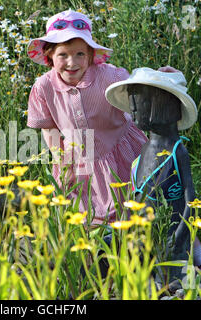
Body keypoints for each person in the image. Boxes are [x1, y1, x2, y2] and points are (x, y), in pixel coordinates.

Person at [26, 9, 177, 225]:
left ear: (90, 55)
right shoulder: (44, 87)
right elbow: (48, 127)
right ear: (49, 55)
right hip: (78, 161)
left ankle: (186, 249)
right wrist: (61, 158)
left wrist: (160, 77)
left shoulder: (109, 76)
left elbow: (138, 86)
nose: (72, 62)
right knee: (87, 216)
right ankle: (102, 252)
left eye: (80, 54)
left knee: (146, 204)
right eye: (63, 55)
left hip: (122, 151)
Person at [105, 67, 201, 278]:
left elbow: (191, 201)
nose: (133, 109)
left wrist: (180, 236)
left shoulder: (176, 151)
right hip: (143, 239)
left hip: (171, 241)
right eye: (132, 101)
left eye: (140, 100)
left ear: (166, 106)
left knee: (170, 280)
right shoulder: (144, 148)